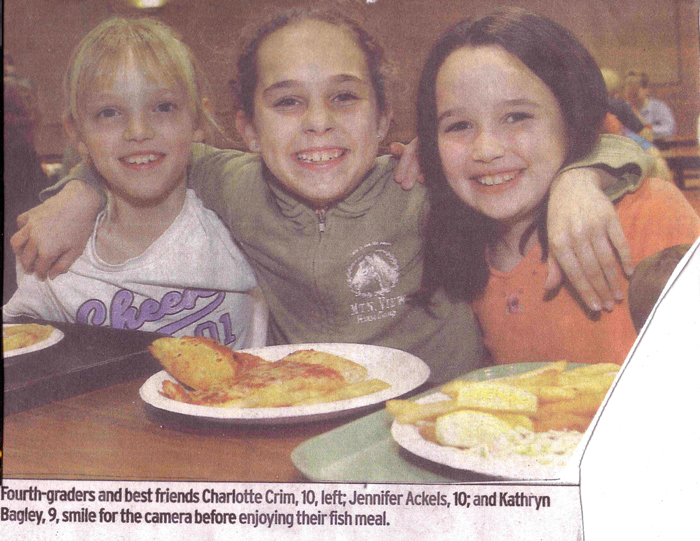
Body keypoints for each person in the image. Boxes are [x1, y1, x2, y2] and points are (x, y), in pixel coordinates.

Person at [11, 8, 652, 382]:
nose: (318, 122)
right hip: (308, 438)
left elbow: (581, 148)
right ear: (247, 130)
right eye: (288, 102)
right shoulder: (233, 183)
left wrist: (582, 177)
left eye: (344, 97)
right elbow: (148, 152)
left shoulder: (430, 183)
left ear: (382, 119)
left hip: (443, 432)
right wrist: (80, 190)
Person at [414, 7, 700, 366]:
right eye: (458, 126)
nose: (486, 150)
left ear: (570, 116)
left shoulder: (649, 216)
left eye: (516, 116)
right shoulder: (452, 248)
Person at [3, 18, 268, 349]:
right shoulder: (52, 248)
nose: (138, 131)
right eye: (109, 112)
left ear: (198, 120)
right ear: (76, 133)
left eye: (163, 107)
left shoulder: (239, 230)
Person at [624, 70, 676, 139]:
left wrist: (647, 128)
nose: (632, 100)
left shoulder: (658, 107)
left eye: (635, 95)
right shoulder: (623, 107)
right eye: (629, 96)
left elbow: (669, 129)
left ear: (646, 90)